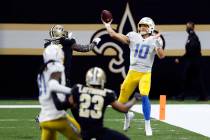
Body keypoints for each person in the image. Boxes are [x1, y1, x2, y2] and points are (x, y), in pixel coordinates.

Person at [102, 17, 165, 136]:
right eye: (140, 25)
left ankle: (147, 125)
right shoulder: (133, 36)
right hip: (132, 72)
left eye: (145, 26)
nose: (142, 28)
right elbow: (113, 35)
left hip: (145, 73)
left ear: (151, 27)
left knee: (144, 94)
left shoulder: (154, 39)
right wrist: (107, 25)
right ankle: (128, 115)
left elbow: (162, 56)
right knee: (120, 102)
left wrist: (157, 43)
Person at [51, 67, 141, 140]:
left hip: (83, 134)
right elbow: (124, 109)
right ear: (103, 80)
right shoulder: (107, 93)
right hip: (100, 132)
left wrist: (52, 92)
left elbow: (61, 106)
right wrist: (134, 99)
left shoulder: (78, 89)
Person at [44, 24, 101, 120]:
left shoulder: (47, 44)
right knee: (71, 101)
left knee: (65, 102)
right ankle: (80, 122)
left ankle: (46, 117)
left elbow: (56, 44)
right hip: (62, 78)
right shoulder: (67, 42)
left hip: (50, 77)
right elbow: (85, 48)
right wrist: (95, 42)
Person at [37, 44, 81, 140]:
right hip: (56, 117)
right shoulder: (56, 66)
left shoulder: (42, 70)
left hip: (44, 118)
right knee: (81, 136)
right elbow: (53, 85)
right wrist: (72, 91)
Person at [175, 21, 208, 101]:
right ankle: (183, 96)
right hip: (192, 62)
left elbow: (191, 51)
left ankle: (202, 96)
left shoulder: (194, 37)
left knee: (193, 79)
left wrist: (180, 59)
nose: (187, 28)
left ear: (192, 27)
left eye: (188, 26)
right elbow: (189, 51)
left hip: (195, 62)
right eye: (187, 26)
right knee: (187, 79)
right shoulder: (190, 36)